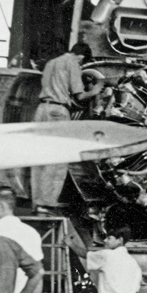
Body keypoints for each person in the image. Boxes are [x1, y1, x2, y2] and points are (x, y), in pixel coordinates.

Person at [30, 42, 104, 212]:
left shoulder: (51, 63)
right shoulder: (72, 63)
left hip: (42, 110)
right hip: (57, 111)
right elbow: (80, 95)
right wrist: (96, 89)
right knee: (58, 159)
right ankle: (47, 202)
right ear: (81, 57)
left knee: (39, 157)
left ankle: (37, 202)